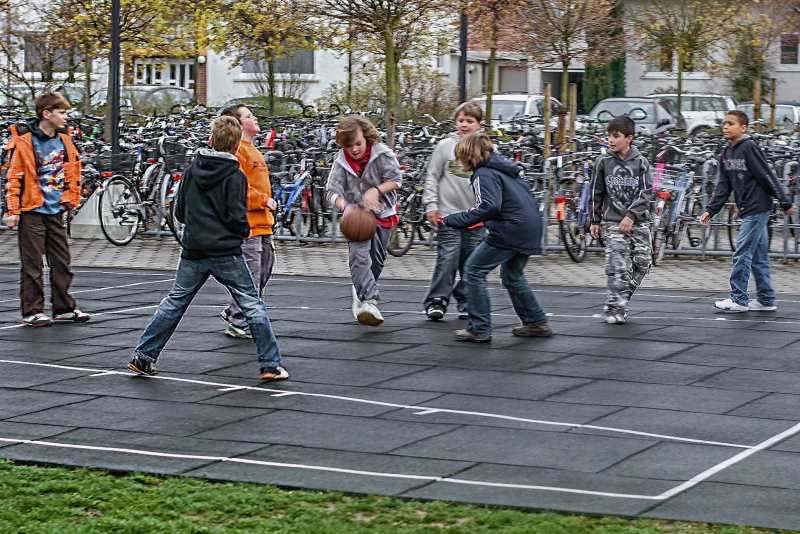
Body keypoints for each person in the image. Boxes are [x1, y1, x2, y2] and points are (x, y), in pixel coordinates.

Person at [127, 116, 287, 381]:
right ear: (237, 147)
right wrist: (241, 232)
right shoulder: (235, 176)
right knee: (252, 303)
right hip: (226, 251)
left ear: (210, 141)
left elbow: (179, 211)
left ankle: (144, 356)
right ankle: (270, 364)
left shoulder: (191, 171)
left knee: (174, 302)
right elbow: (237, 216)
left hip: (194, 248)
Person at [441, 133, 551, 343]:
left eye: (460, 157)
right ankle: (536, 321)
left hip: (510, 230)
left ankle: (479, 327)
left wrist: (454, 219)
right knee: (512, 276)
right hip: (530, 227)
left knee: (473, 270)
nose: (458, 162)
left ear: (468, 155)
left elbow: (489, 206)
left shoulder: (484, 174)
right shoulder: (505, 169)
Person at [4, 92, 90, 327]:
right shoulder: (24, 142)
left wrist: (70, 200)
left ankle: (63, 308)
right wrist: (12, 210)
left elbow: (73, 173)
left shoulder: (64, 140)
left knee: (62, 261)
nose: (66, 117)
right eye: (61, 112)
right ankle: (32, 310)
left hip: (55, 210)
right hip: (32, 210)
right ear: (46, 114)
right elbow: (13, 178)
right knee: (33, 263)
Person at [700, 110, 796, 312]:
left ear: (743, 128)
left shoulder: (749, 147)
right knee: (759, 257)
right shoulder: (727, 152)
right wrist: (710, 210)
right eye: (724, 123)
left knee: (742, 252)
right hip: (746, 208)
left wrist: (785, 202)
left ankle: (739, 299)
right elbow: (723, 186)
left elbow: (767, 175)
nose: (725, 127)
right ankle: (766, 299)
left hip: (757, 207)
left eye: (731, 124)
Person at [326, 116, 402, 327]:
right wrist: (346, 206)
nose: (355, 149)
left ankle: (360, 287)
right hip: (357, 217)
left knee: (375, 262)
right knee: (359, 258)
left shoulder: (383, 154)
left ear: (366, 138)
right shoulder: (341, 161)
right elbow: (331, 192)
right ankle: (369, 301)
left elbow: (396, 180)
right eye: (349, 146)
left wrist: (375, 191)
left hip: (382, 214)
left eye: (358, 144)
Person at [422, 102, 486, 321]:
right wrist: (431, 205)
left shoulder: (485, 148)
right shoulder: (445, 146)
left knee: (472, 261)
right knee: (447, 259)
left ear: (479, 124)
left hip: (476, 216)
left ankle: (467, 300)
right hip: (449, 214)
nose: (464, 125)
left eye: (469, 121)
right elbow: (432, 176)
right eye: (461, 121)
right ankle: (437, 300)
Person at [218, 104, 277, 339]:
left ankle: (235, 309)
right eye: (249, 116)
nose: (255, 119)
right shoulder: (238, 151)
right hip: (248, 225)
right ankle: (239, 320)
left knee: (263, 271)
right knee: (250, 274)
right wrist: (263, 200)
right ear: (239, 125)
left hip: (263, 223)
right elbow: (237, 188)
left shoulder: (253, 150)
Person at [589, 116, 653, 325]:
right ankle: (616, 310)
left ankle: (617, 298)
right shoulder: (603, 162)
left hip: (639, 221)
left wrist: (631, 216)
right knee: (617, 266)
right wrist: (595, 220)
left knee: (643, 263)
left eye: (616, 136)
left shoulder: (641, 162)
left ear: (629, 138)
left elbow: (646, 193)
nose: (611, 140)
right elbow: (596, 193)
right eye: (609, 135)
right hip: (613, 222)